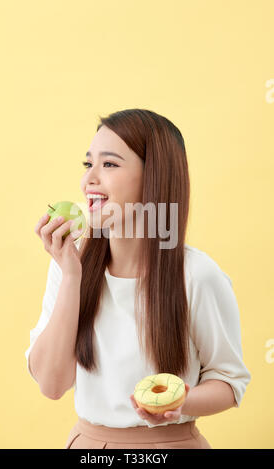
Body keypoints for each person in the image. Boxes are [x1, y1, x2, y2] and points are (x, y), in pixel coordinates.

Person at [25, 109, 251, 449]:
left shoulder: (198, 275)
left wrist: (180, 402)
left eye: (110, 164)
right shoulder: (68, 265)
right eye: (89, 164)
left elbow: (229, 381)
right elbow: (52, 384)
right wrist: (72, 275)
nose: (89, 180)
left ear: (153, 178)